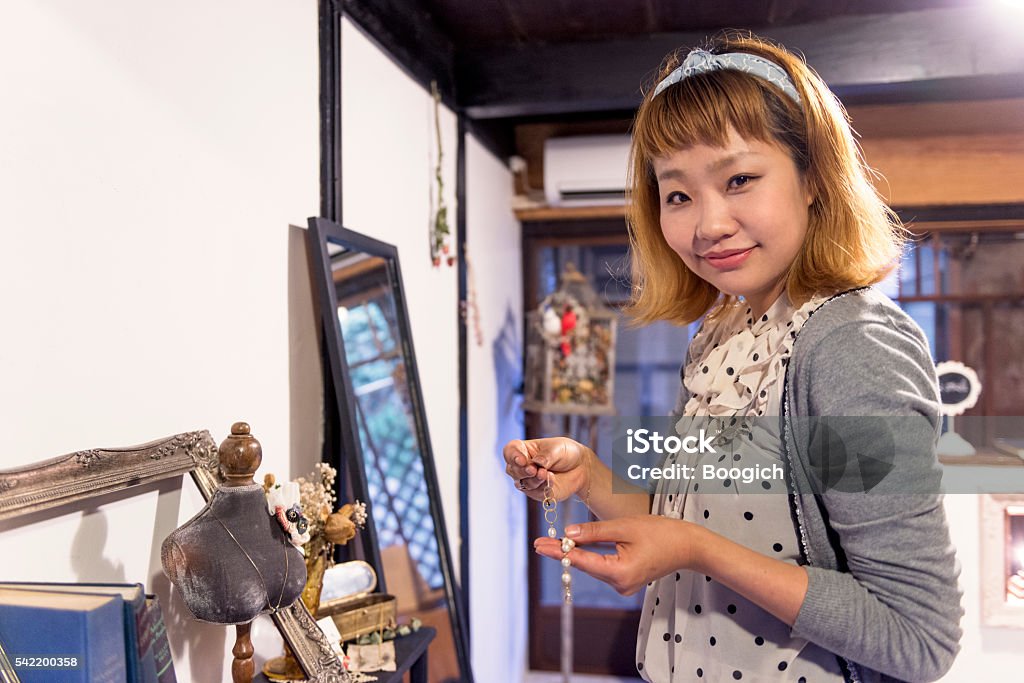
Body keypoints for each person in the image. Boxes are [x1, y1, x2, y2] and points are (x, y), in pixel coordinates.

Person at [503, 31, 963, 683]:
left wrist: (697, 548)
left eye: (740, 178)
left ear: (813, 178)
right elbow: (683, 526)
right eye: (678, 194)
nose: (707, 223)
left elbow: (918, 637)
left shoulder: (847, 344)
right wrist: (590, 478)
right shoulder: (722, 329)